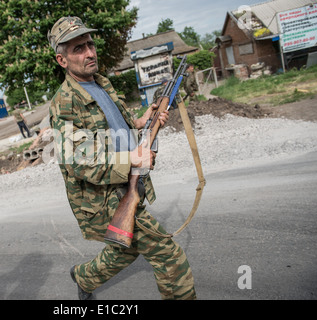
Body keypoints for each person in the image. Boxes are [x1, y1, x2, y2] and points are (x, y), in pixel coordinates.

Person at [48, 16, 196, 300]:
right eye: (78, 48)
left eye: (90, 44)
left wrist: (145, 121)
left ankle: (83, 277)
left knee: (124, 251)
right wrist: (132, 157)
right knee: (170, 258)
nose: (90, 52)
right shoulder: (65, 102)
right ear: (62, 60)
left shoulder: (100, 83)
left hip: (125, 183)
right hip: (108, 196)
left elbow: (119, 124)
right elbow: (78, 159)